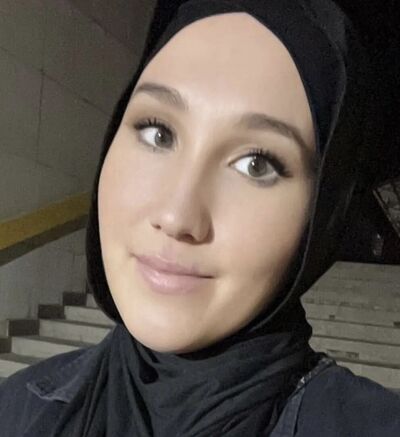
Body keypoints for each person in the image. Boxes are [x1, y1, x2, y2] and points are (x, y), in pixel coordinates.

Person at [1, 1, 399, 435]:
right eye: (158, 132)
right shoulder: (16, 409)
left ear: (321, 215)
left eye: (256, 165)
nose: (177, 216)